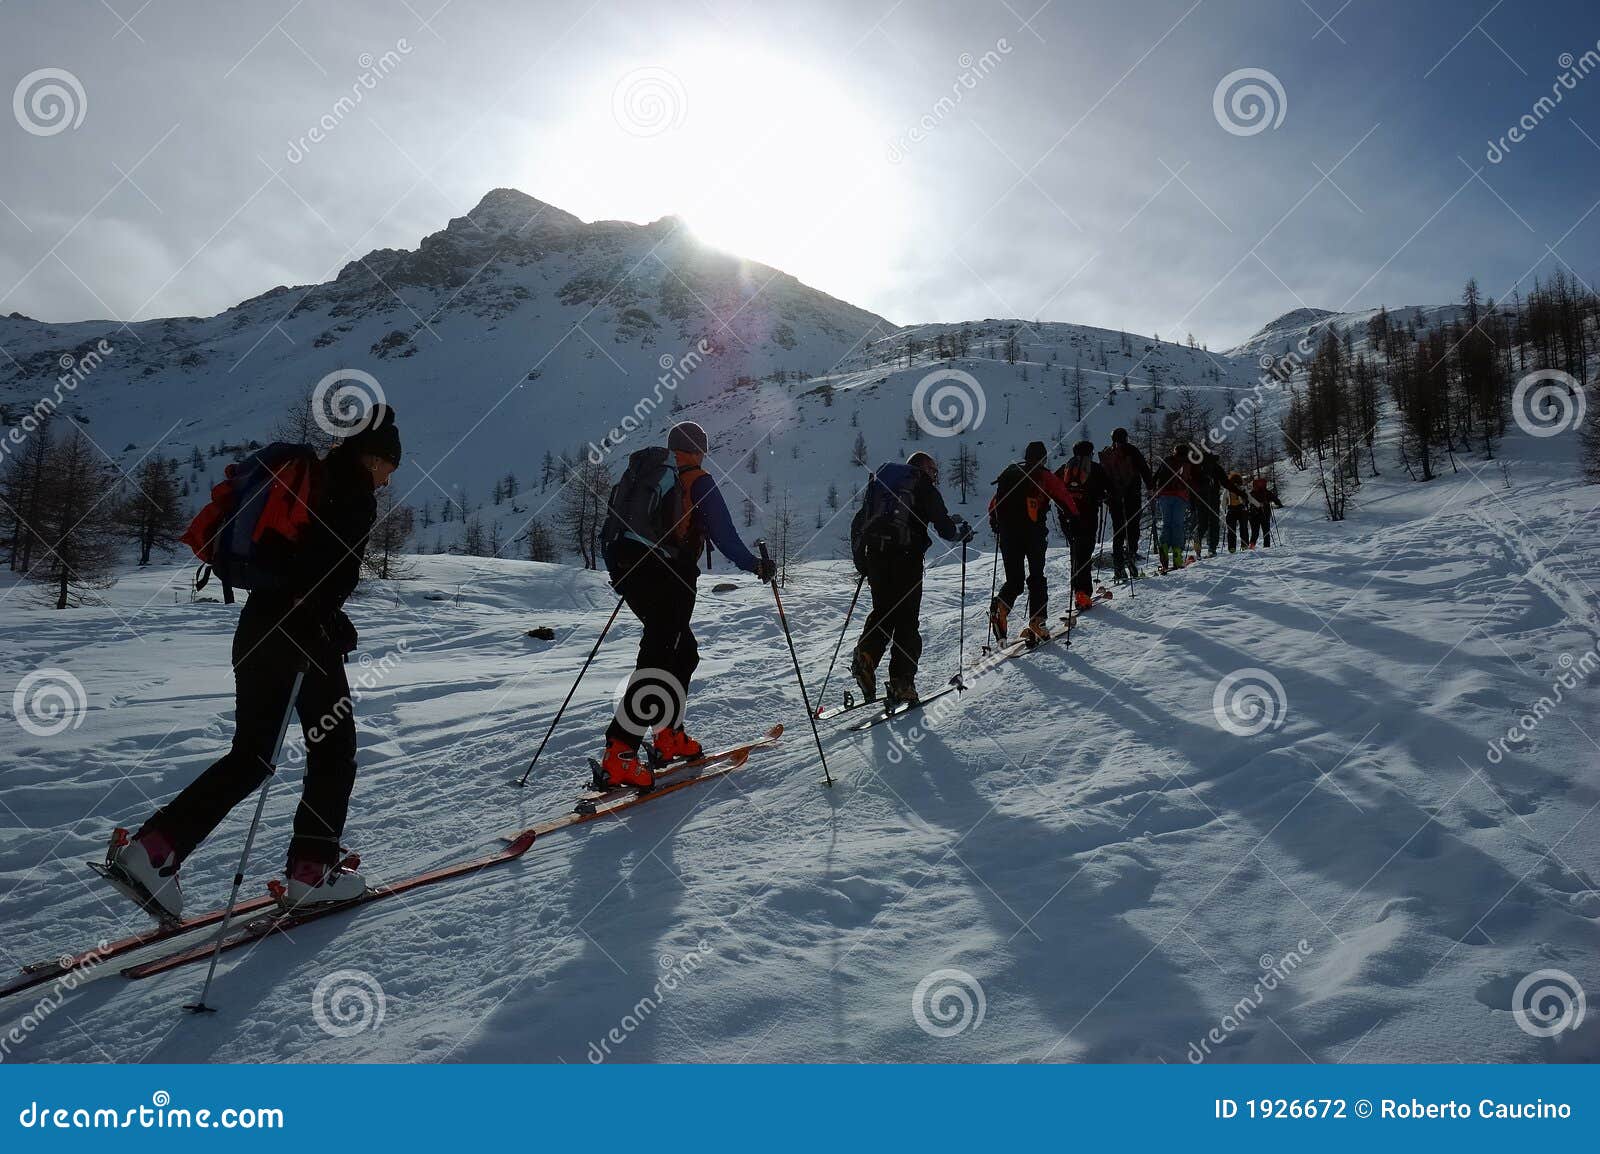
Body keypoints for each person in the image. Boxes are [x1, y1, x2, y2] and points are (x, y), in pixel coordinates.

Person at [104, 406, 403, 920]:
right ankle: (312, 874)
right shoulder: (351, 492)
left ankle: (152, 851)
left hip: (258, 630)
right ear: (372, 457)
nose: (387, 479)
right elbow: (321, 572)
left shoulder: (310, 479)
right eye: (389, 467)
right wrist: (324, 617)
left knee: (252, 756)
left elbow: (295, 564)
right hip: (302, 638)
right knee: (333, 750)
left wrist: (324, 613)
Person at [598, 421, 775, 789]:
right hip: (668, 575)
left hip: (629, 568)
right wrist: (756, 565)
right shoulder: (696, 480)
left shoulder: (649, 477)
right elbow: (724, 534)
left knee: (682, 653)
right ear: (698, 449)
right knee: (660, 658)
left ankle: (668, 735)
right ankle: (620, 753)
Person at [850, 452, 972, 709]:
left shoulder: (882, 486)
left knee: (884, 612)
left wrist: (863, 561)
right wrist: (961, 533)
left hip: (876, 558)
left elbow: (859, 522)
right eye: (933, 469)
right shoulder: (922, 485)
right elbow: (945, 527)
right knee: (906, 620)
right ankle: (902, 683)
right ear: (924, 468)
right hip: (906, 560)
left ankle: (867, 656)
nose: (934, 475)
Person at [988, 440, 1079, 645]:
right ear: (1043, 458)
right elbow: (1064, 498)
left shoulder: (1011, 475)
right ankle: (1038, 621)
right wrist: (1074, 519)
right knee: (1037, 576)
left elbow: (993, 505)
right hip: (1033, 533)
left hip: (1009, 535)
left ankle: (1000, 610)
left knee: (1015, 580)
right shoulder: (1044, 476)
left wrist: (996, 524)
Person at [1056, 440, 1108, 612]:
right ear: (1091, 452)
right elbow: (1110, 489)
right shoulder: (1096, 468)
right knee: (1085, 553)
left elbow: (1053, 488)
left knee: (1075, 552)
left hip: (1068, 517)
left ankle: (1077, 591)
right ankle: (1083, 593)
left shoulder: (1065, 468)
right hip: (1088, 517)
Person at [1099, 428, 1154, 582]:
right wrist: (1150, 488)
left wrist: (1104, 495)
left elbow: (1102, 476)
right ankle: (1130, 557)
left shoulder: (1107, 453)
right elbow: (1144, 469)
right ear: (1126, 437)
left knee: (1119, 530)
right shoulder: (1132, 450)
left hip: (1114, 498)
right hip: (1132, 496)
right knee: (1133, 527)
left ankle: (1118, 567)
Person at [1189, 446, 1248, 559]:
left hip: (1200, 498)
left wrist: (1192, 502)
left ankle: (1198, 537)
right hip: (1213, 497)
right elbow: (1226, 483)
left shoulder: (1196, 468)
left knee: (1202, 522)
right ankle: (1212, 549)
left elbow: (1191, 485)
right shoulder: (1216, 467)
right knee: (1213, 523)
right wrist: (1240, 493)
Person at [1152, 443, 1197, 574]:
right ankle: (1177, 556)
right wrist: (1193, 501)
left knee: (1166, 524)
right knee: (1177, 525)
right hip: (1180, 497)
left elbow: (1156, 476)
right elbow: (1191, 482)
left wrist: (1152, 490)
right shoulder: (1188, 463)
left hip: (1164, 496)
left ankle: (1164, 549)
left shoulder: (1167, 460)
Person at [1247, 475, 1285, 547]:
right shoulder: (1267, 492)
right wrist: (1279, 504)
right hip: (1265, 514)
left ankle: (1252, 547)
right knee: (1266, 532)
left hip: (1253, 515)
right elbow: (1276, 500)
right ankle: (1266, 547)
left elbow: (1245, 501)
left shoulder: (1251, 493)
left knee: (1255, 532)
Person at [1225, 471, 1250, 553]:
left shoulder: (1228, 489)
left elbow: (1222, 502)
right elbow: (1249, 498)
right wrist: (1258, 505)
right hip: (1242, 510)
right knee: (1244, 529)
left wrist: (1223, 513)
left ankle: (1232, 548)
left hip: (1231, 510)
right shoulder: (1243, 488)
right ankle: (1244, 546)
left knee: (1231, 530)